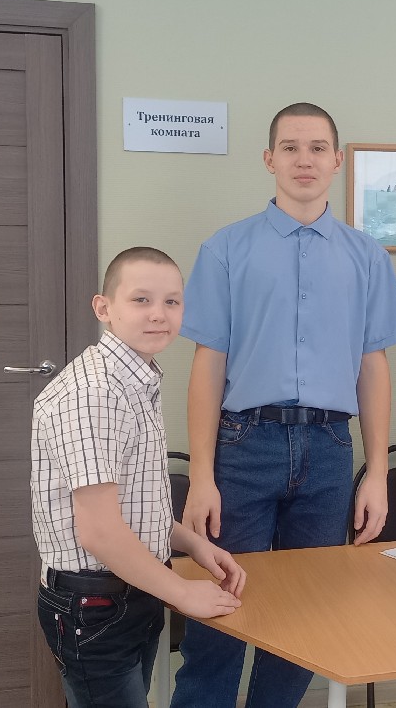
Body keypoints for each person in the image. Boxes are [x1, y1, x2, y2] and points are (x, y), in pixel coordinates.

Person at [172, 102, 396, 708]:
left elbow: (373, 368)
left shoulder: (367, 257)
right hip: (243, 445)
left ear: (337, 161)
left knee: (308, 615)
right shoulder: (227, 249)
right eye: (290, 147)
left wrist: (377, 473)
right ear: (269, 159)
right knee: (219, 610)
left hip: (330, 450)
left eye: (316, 148)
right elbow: (207, 366)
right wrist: (201, 476)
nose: (303, 160)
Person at [32, 247, 246, 708]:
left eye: (172, 302)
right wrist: (183, 593)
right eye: (141, 300)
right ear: (103, 307)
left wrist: (195, 545)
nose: (158, 314)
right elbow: (99, 532)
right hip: (94, 606)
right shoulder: (94, 393)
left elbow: (136, 506)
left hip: (135, 590)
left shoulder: (137, 380)